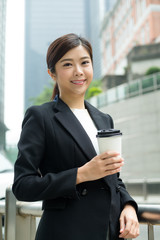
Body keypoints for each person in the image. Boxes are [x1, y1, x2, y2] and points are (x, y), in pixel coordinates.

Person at [12, 33, 139, 240]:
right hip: (66, 232)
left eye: (84, 62)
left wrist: (128, 205)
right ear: (52, 73)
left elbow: (113, 179)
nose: (79, 71)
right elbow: (23, 185)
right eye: (68, 64)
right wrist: (81, 174)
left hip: (109, 232)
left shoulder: (104, 119)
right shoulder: (41, 117)